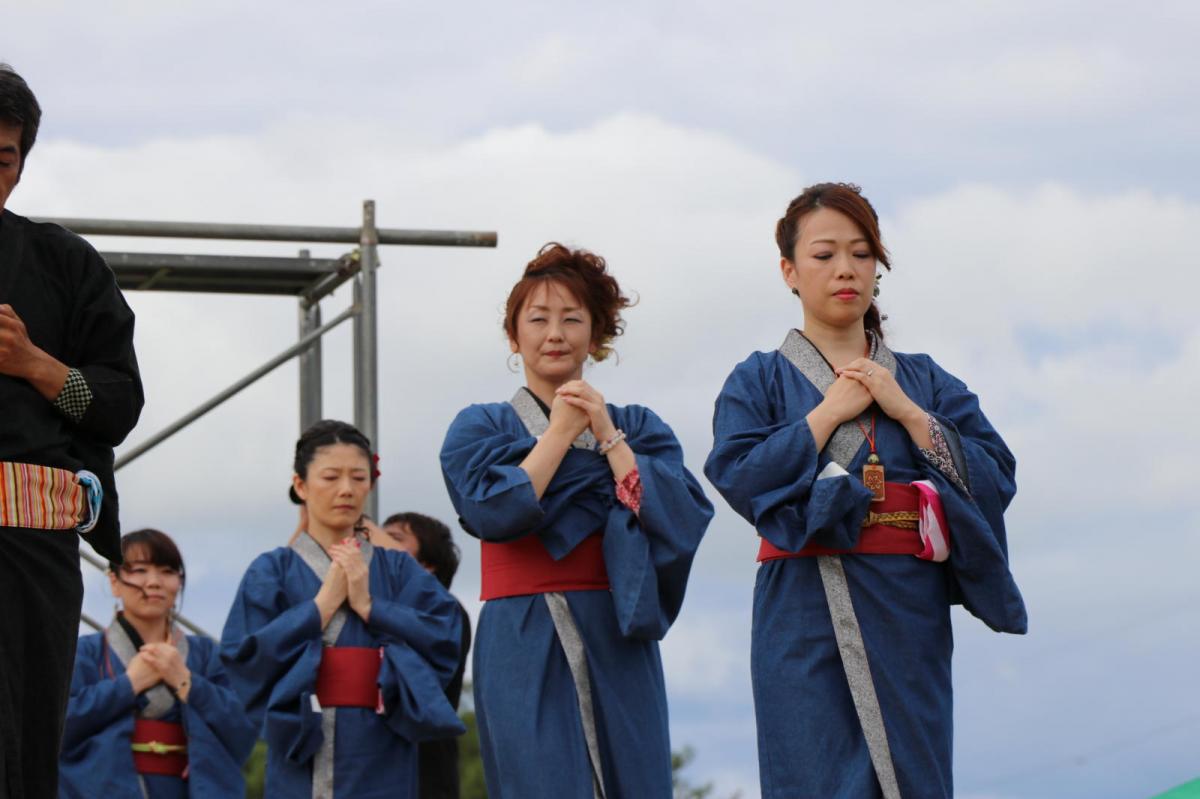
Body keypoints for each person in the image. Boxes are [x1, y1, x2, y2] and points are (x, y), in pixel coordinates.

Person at [704, 183, 1027, 799]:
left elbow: (997, 473)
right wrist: (825, 416)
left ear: (878, 267)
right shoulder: (758, 379)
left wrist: (908, 412)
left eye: (861, 253)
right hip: (800, 603)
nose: (845, 269)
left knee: (913, 773)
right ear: (789, 271)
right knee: (810, 768)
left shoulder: (925, 379)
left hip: (908, 607)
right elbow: (737, 474)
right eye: (824, 255)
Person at [440, 243, 713, 799]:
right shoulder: (479, 427)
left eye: (572, 319)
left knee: (632, 778)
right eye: (537, 320)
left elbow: (681, 515)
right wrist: (562, 431)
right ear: (514, 338)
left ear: (596, 335)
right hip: (519, 630)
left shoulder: (640, 427)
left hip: (616, 626)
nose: (555, 333)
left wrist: (608, 436)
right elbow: (491, 510)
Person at [0, 64, 143, 797]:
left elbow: (120, 403)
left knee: (21, 749)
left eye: (3, 158)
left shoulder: (63, 263)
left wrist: (34, 363)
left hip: (29, 545)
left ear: (21, 163)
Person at [221, 420, 465, 799]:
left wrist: (371, 607)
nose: (346, 490)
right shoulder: (271, 570)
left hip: (384, 739)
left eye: (358, 477)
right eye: (331, 477)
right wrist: (320, 607)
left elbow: (446, 633)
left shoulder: (398, 569)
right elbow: (243, 656)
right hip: (301, 737)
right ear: (300, 485)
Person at [59, 529, 255, 797]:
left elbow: (243, 729)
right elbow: (57, 727)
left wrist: (187, 682)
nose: (154, 582)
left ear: (180, 582)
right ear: (114, 581)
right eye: (139, 570)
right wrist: (128, 685)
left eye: (167, 571)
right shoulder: (85, 653)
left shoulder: (207, 654)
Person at [376, 512, 472, 799]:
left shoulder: (446, 615)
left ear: (427, 566)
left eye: (392, 539)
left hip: (424, 772)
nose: (375, 544)